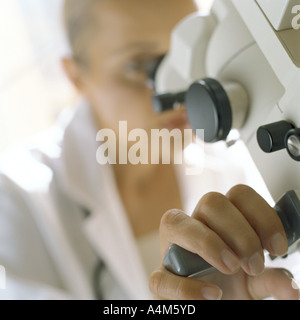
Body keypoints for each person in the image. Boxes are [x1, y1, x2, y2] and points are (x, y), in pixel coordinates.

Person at [0, 0, 298, 300]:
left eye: (185, 55)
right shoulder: (18, 196)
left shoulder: (240, 162)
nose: (179, 89)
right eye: (139, 65)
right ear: (76, 76)